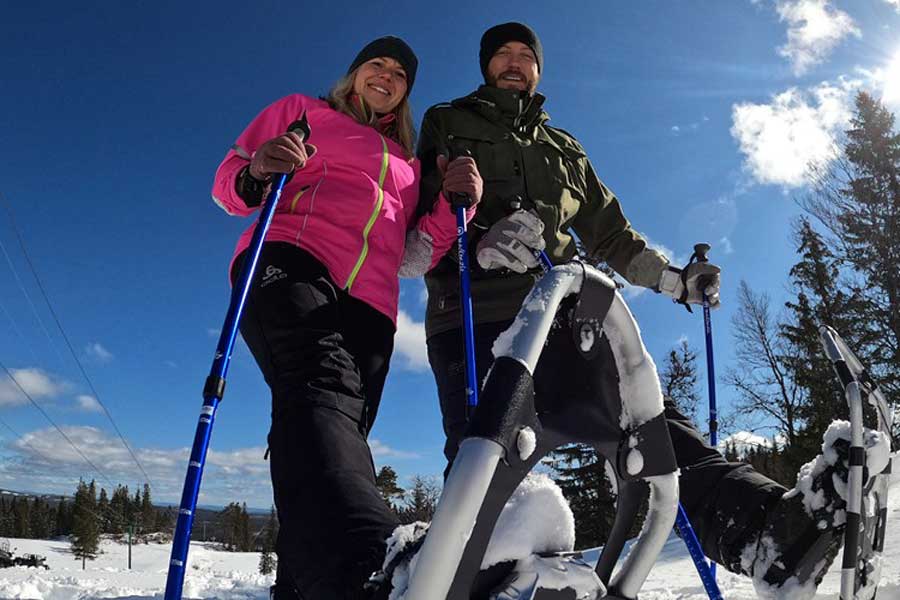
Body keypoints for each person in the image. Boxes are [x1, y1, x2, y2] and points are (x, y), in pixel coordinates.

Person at [415, 22, 852, 597]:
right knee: (484, 472)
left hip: (565, 315)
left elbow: (613, 237)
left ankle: (766, 534)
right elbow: (417, 210)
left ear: (540, 69)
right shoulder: (449, 121)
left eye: (527, 55)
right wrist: (474, 238)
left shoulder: (564, 149)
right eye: (504, 55)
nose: (516, 63)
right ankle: (470, 585)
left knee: (652, 430)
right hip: (480, 317)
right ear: (486, 65)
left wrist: (676, 281)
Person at [211, 36, 483, 600]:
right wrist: (258, 168)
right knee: (321, 387)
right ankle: (368, 555)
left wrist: (458, 206)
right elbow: (230, 184)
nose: (386, 76)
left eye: (399, 74)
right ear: (355, 73)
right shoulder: (303, 114)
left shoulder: (409, 168)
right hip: (291, 256)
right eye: (376, 65)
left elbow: (414, 256)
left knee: (336, 428)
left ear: (405, 92)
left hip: (373, 306)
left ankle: (300, 586)